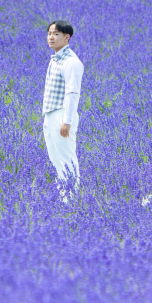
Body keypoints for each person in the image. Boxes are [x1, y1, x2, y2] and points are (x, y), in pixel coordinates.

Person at [42, 20, 84, 195]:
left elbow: (72, 93)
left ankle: (72, 198)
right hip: (51, 114)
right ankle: (63, 197)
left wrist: (66, 121)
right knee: (56, 159)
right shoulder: (56, 59)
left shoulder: (71, 62)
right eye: (50, 33)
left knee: (67, 159)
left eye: (56, 34)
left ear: (67, 37)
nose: (51, 37)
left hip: (62, 115)